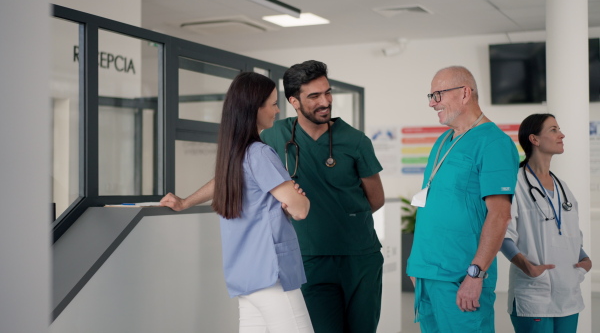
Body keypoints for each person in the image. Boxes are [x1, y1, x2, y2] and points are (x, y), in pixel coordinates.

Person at [161, 72, 314, 333]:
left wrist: (185, 202)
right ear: (255, 108)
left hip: (246, 276)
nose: (278, 110)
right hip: (271, 275)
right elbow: (300, 210)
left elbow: (220, 180)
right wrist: (298, 197)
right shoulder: (260, 153)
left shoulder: (234, 155)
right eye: (273, 103)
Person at [260, 60, 385, 333]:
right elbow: (241, 171)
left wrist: (342, 218)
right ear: (294, 100)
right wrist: (186, 201)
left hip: (359, 257)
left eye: (327, 93)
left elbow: (376, 199)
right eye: (314, 96)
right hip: (309, 257)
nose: (325, 101)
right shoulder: (274, 136)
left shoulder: (355, 141)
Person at [406, 66, 519, 333]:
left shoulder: (494, 143)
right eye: (430, 96)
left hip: (460, 276)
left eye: (438, 95)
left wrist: (476, 273)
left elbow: (499, 215)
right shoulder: (444, 140)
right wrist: (416, 265)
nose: (432, 103)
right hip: (427, 274)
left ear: (465, 93)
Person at [500, 113, 592, 333]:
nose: (562, 134)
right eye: (553, 129)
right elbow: (502, 233)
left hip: (568, 293)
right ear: (534, 139)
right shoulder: (515, 183)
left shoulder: (563, 187)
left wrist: (584, 258)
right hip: (534, 295)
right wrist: (528, 267)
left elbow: (567, 233)